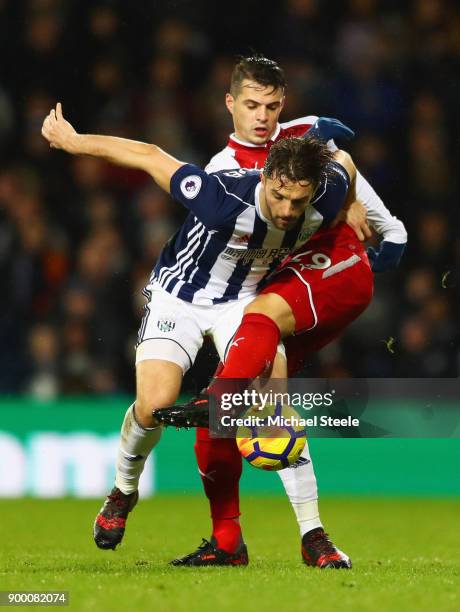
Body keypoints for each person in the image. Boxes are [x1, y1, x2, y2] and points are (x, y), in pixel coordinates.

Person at [41, 103, 364, 566]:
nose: (290, 210)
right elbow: (150, 155)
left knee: (272, 402)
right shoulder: (222, 197)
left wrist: (350, 205)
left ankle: (314, 536)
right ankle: (123, 490)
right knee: (153, 407)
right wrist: (75, 142)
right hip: (181, 298)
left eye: (299, 200)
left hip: (244, 303)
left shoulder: (323, 193)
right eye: (280, 197)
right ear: (266, 176)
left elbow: (345, 165)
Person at [158, 55, 407, 568]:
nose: (263, 116)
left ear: (282, 105)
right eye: (252, 105)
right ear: (230, 106)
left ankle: (313, 534)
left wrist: (378, 218)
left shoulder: (296, 143)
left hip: (304, 281)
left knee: (267, 366)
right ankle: (229, 541)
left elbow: (343, 163)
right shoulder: (223, 177)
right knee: (226, 415)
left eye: (272, 106)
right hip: (252, 291)